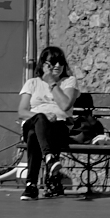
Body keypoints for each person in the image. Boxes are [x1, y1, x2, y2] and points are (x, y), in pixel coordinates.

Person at [18, 45, 77, 200]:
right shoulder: (32, 83)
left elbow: (65, 105)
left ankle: (31, 186)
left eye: (61, 62)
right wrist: (42, 115)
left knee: (33, 135)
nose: (57, 66)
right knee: (39, 120)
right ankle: (49, 157)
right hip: (34, 122)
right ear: (43, 64)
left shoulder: (69, 81)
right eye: (52, 62)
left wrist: (51, 82)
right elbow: (22, 111)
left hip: (59, 127)